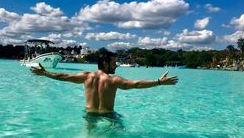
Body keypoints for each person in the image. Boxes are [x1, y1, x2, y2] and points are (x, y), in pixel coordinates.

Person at [31, 49, 178, 116]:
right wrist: (159, 82)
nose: (116, 65)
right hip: (109, 115)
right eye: (114, 62)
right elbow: (137, 84)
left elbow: (63, 76)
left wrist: (45, 73)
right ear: (106, 64)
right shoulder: (114, 80)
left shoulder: (86, 76)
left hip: (89, 115)